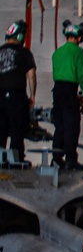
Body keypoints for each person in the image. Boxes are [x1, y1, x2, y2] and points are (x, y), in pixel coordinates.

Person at [51, 19, 83, 170]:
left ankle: (56, 158)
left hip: (57, 91)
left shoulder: (57, 53)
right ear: (79, 37)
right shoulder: (79, 52)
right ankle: (71, 160)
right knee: (72, 125)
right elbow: (81, 73)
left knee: (59, 126)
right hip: (70, 90)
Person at [0, 21, 36, 163]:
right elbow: (31, 74)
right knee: (17, 127)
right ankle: (16, 159)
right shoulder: (25, 52)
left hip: (0, 95)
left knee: (1, 128)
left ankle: (1, 159)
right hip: (16, 95)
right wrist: (32, 95)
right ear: (21, 37)